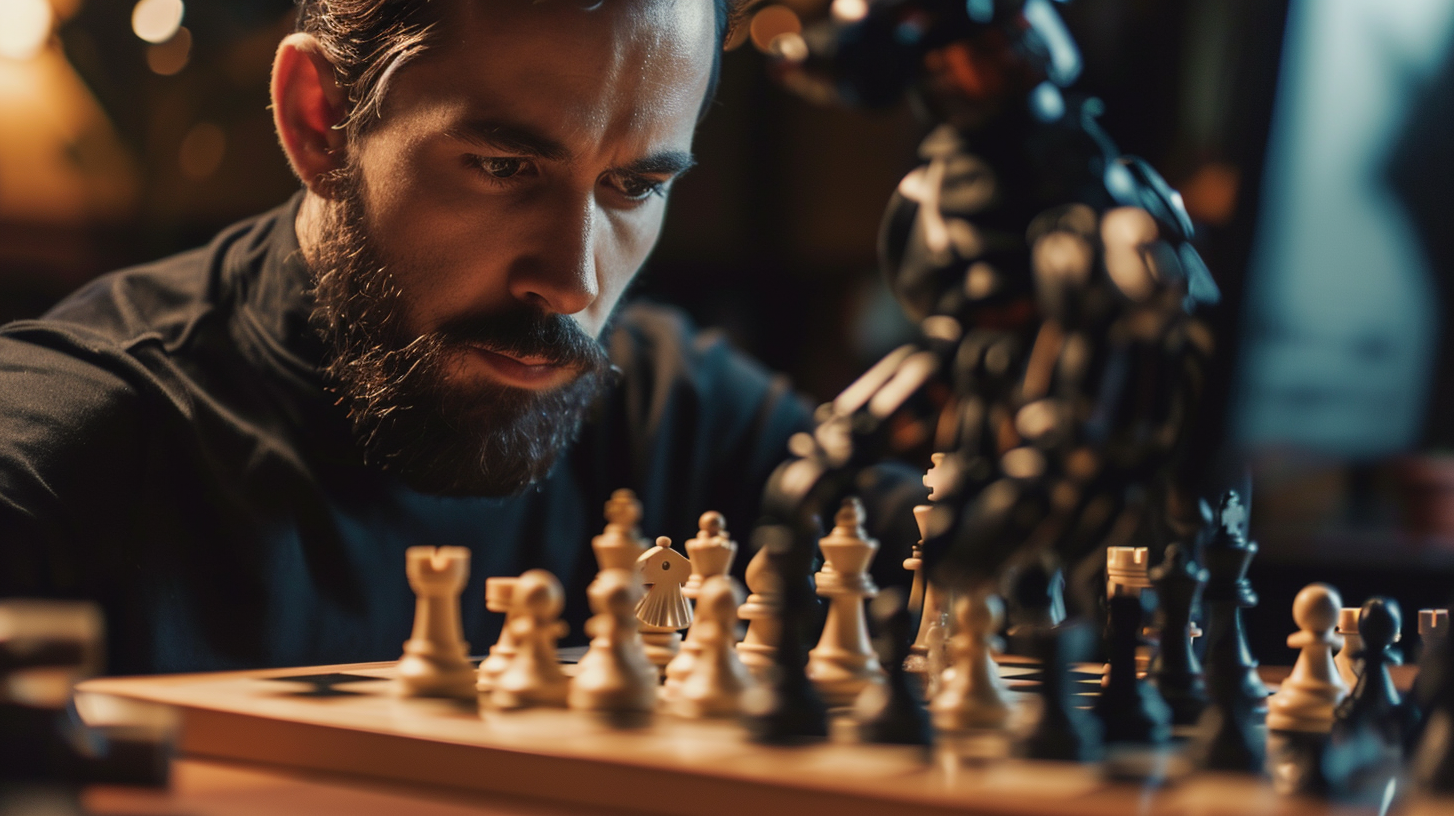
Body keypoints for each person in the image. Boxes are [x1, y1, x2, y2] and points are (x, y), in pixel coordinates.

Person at [0, 0, 922, 675]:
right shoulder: (57, 459)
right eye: (502, 166)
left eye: (634, 188)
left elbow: (969, 562)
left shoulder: (668, 409)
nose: (574, 280)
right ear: (319, 120)